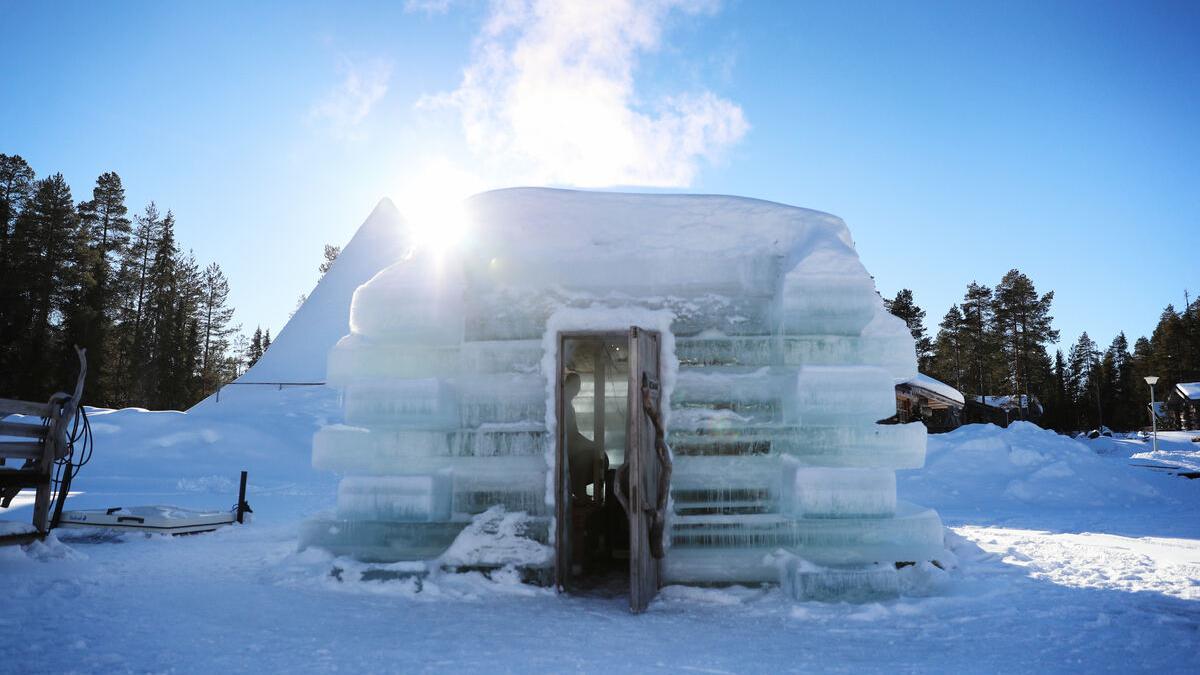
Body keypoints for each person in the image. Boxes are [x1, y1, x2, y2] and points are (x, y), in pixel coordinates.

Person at [564, 371, 608, 500]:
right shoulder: (563, 404)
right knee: (587, 457)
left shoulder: (567, 404)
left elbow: (574, 433)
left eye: (579, 387)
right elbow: (570, 434)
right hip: (565, 448)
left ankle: (579, 489)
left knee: (599, 455)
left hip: (570, 444)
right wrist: (591, 445)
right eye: (576, 386)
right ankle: (579, 490)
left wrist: (591, 444)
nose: (577, 390)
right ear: (568, 385)